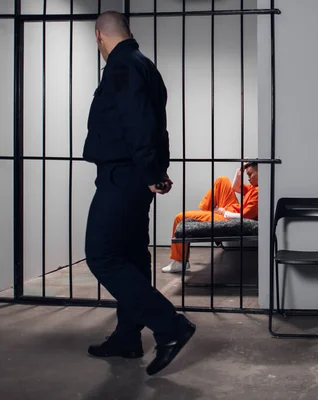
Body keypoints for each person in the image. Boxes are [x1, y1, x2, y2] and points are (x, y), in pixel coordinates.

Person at [82, 11, 195, 376]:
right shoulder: (144, 65)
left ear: (99, 35)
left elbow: (138, 123)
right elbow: (153, 124)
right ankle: (128, 336)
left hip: (122, 176)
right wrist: (155, 171)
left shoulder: (121, 67)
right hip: (134, 174)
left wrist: (149, 171)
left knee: (101, 255)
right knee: (130, 256)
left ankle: (170, 326)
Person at [162, 162, 259, 273]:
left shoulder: (259, 193)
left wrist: (225, 212)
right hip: (231, 210)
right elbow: (235, 187)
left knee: (180, 218)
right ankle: (204, 215)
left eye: (250, 174)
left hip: (228, 218)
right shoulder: (255, 187)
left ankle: (179, 262)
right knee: (222, 180)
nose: (248, 178)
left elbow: (245, 217)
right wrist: (240, 171)